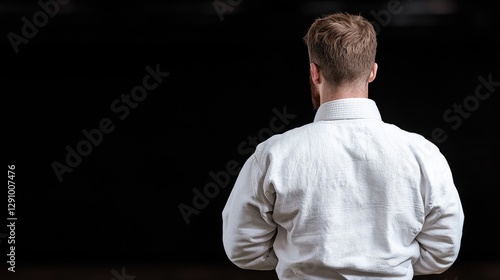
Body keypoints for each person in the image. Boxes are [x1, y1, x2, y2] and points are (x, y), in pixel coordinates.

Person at [221, 12, 465, 279]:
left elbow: (243, 248)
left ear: (314, 72)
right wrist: (391, 265)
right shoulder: (423, 154)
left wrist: (299, 259)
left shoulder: (272, 156)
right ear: (372, 72)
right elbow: (443, 251)